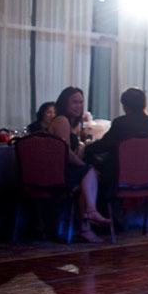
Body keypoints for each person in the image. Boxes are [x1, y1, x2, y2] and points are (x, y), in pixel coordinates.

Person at [48, 86, 111, 243]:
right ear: (65, 103)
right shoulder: (61, 120)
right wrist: (83, 167)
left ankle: (86, 226)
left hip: (64, 170)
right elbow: (65, 152)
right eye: (74, 102)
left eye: (81, 102)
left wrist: (82, 148)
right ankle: (89, 215)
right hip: (57, 173)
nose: (79, 106)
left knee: (89, 176)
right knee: (89, 172)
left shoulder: (72, 123)